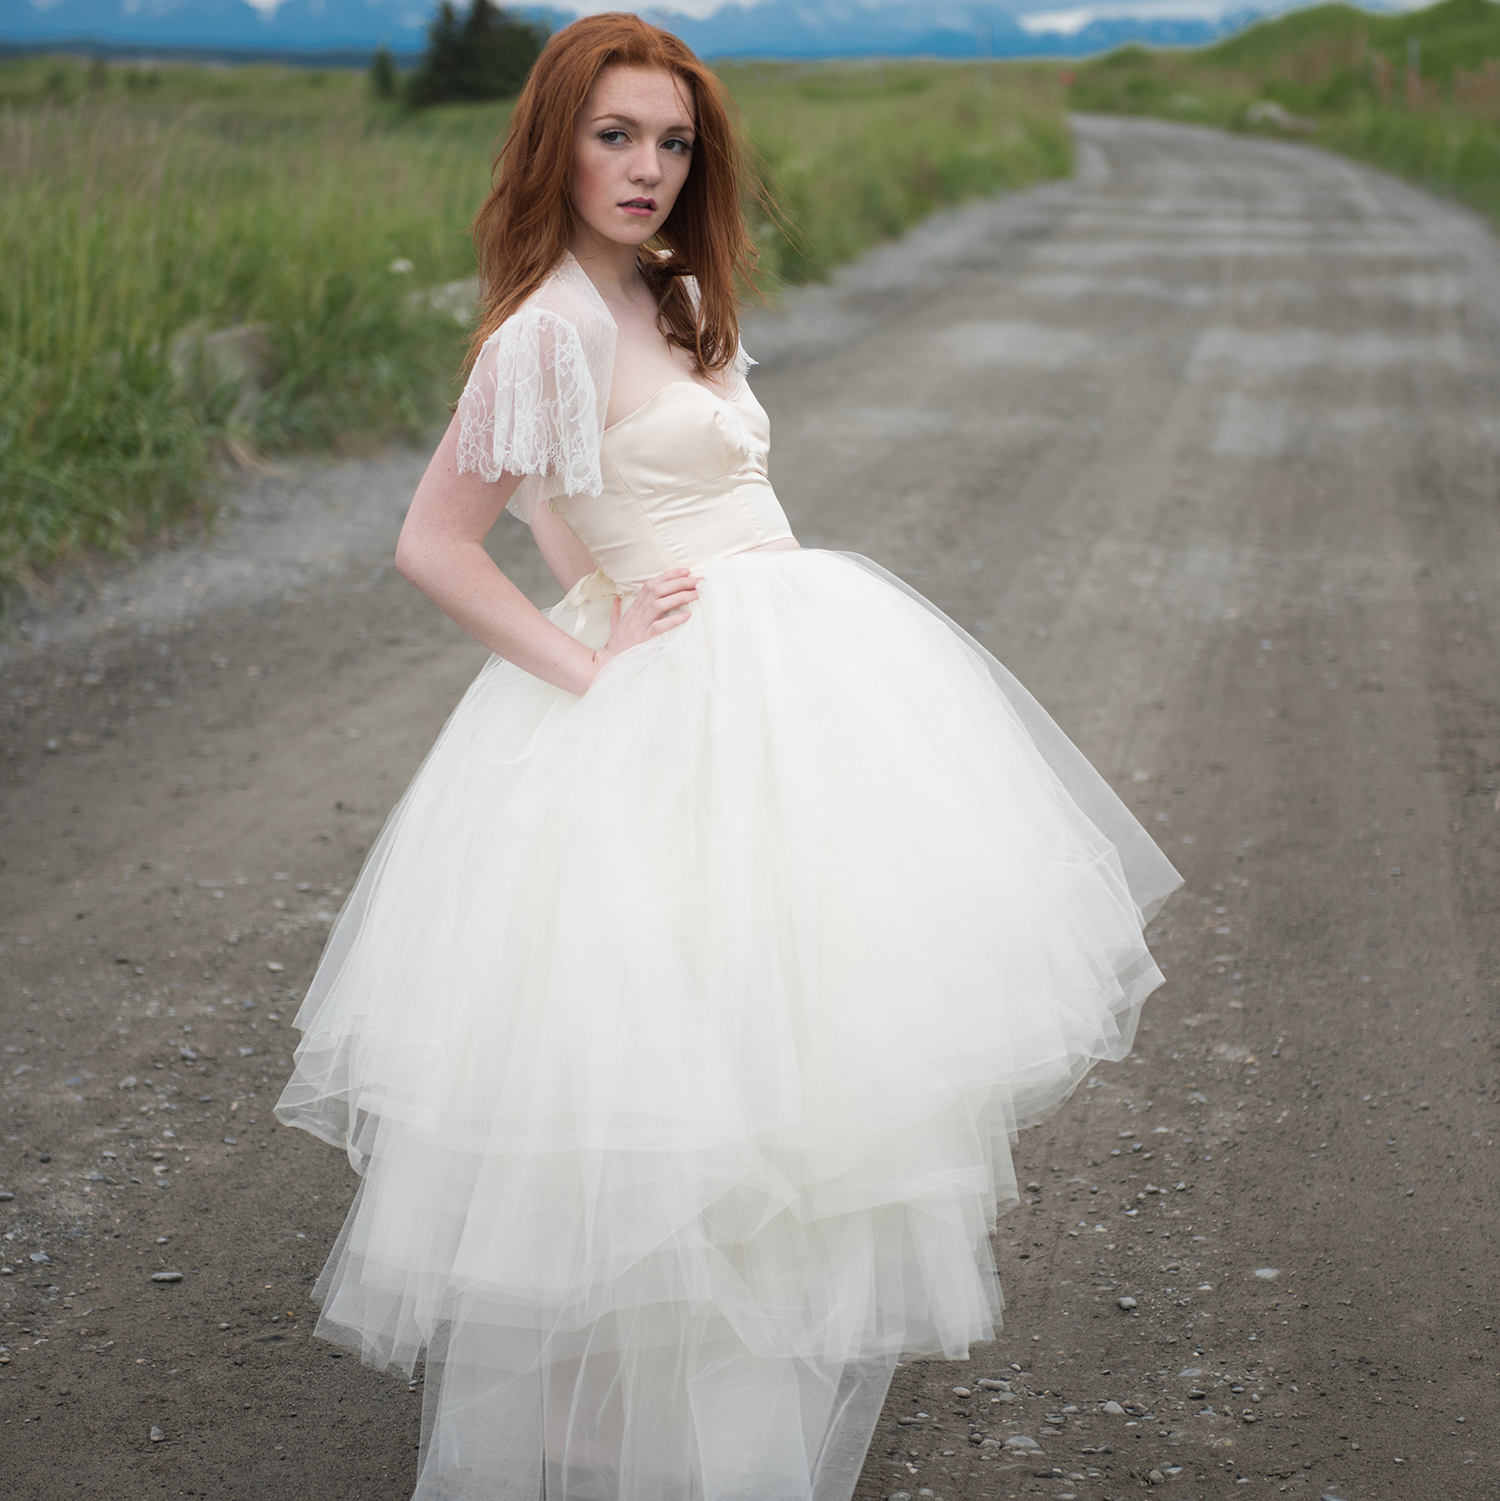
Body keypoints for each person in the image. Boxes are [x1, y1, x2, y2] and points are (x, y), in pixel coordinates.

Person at [275, 14, 1182, 1501]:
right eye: (614, 135)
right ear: (555, 142)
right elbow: (435, 540)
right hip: (663, 700)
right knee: (656, 1052)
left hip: (787, 665)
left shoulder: (676, 292)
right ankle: (591, 1425)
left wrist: (604, 561)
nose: (644, 168)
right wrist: (593, 654)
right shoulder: (547, 324)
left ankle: (708, 1392)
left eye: (672, 141)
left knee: (779, 1041)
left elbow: (575, 494)